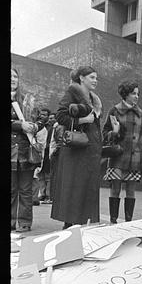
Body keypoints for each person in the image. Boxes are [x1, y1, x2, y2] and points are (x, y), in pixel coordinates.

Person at [51, 66, 103, 229]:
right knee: (74, 186)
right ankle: (69, 227)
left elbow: (95, 122)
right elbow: (60, 115)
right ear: (81, 78)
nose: (95, 80)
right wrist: (82, 121)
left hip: (91, 149)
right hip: (77, 148)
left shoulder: (94, 99)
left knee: (87, 187)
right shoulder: (73, 92)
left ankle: (82, 225)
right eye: (92, 77)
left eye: (96, 78)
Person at [102, 81, 142, 223]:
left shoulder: (140, 113)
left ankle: (128, 222)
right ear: (125, 94)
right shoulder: (114, 110)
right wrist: (114, 133)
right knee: (115, 189)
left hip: (135, 158)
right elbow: (104, 133)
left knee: (131, 191)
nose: (136, 96)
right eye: (133, 93)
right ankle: (113, 221)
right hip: (118, 156)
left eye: (138, 94)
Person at [10, 67, 40, 232]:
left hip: (26, 151)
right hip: (10, 151)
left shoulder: (27, 100)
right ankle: (10, 221)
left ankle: (25, 222)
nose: (13, 79)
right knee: (12, 189)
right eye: (9, 76)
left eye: (15, 76)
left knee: (26, 190)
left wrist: (34, 126)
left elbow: (40, 119)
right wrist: (21, 125)